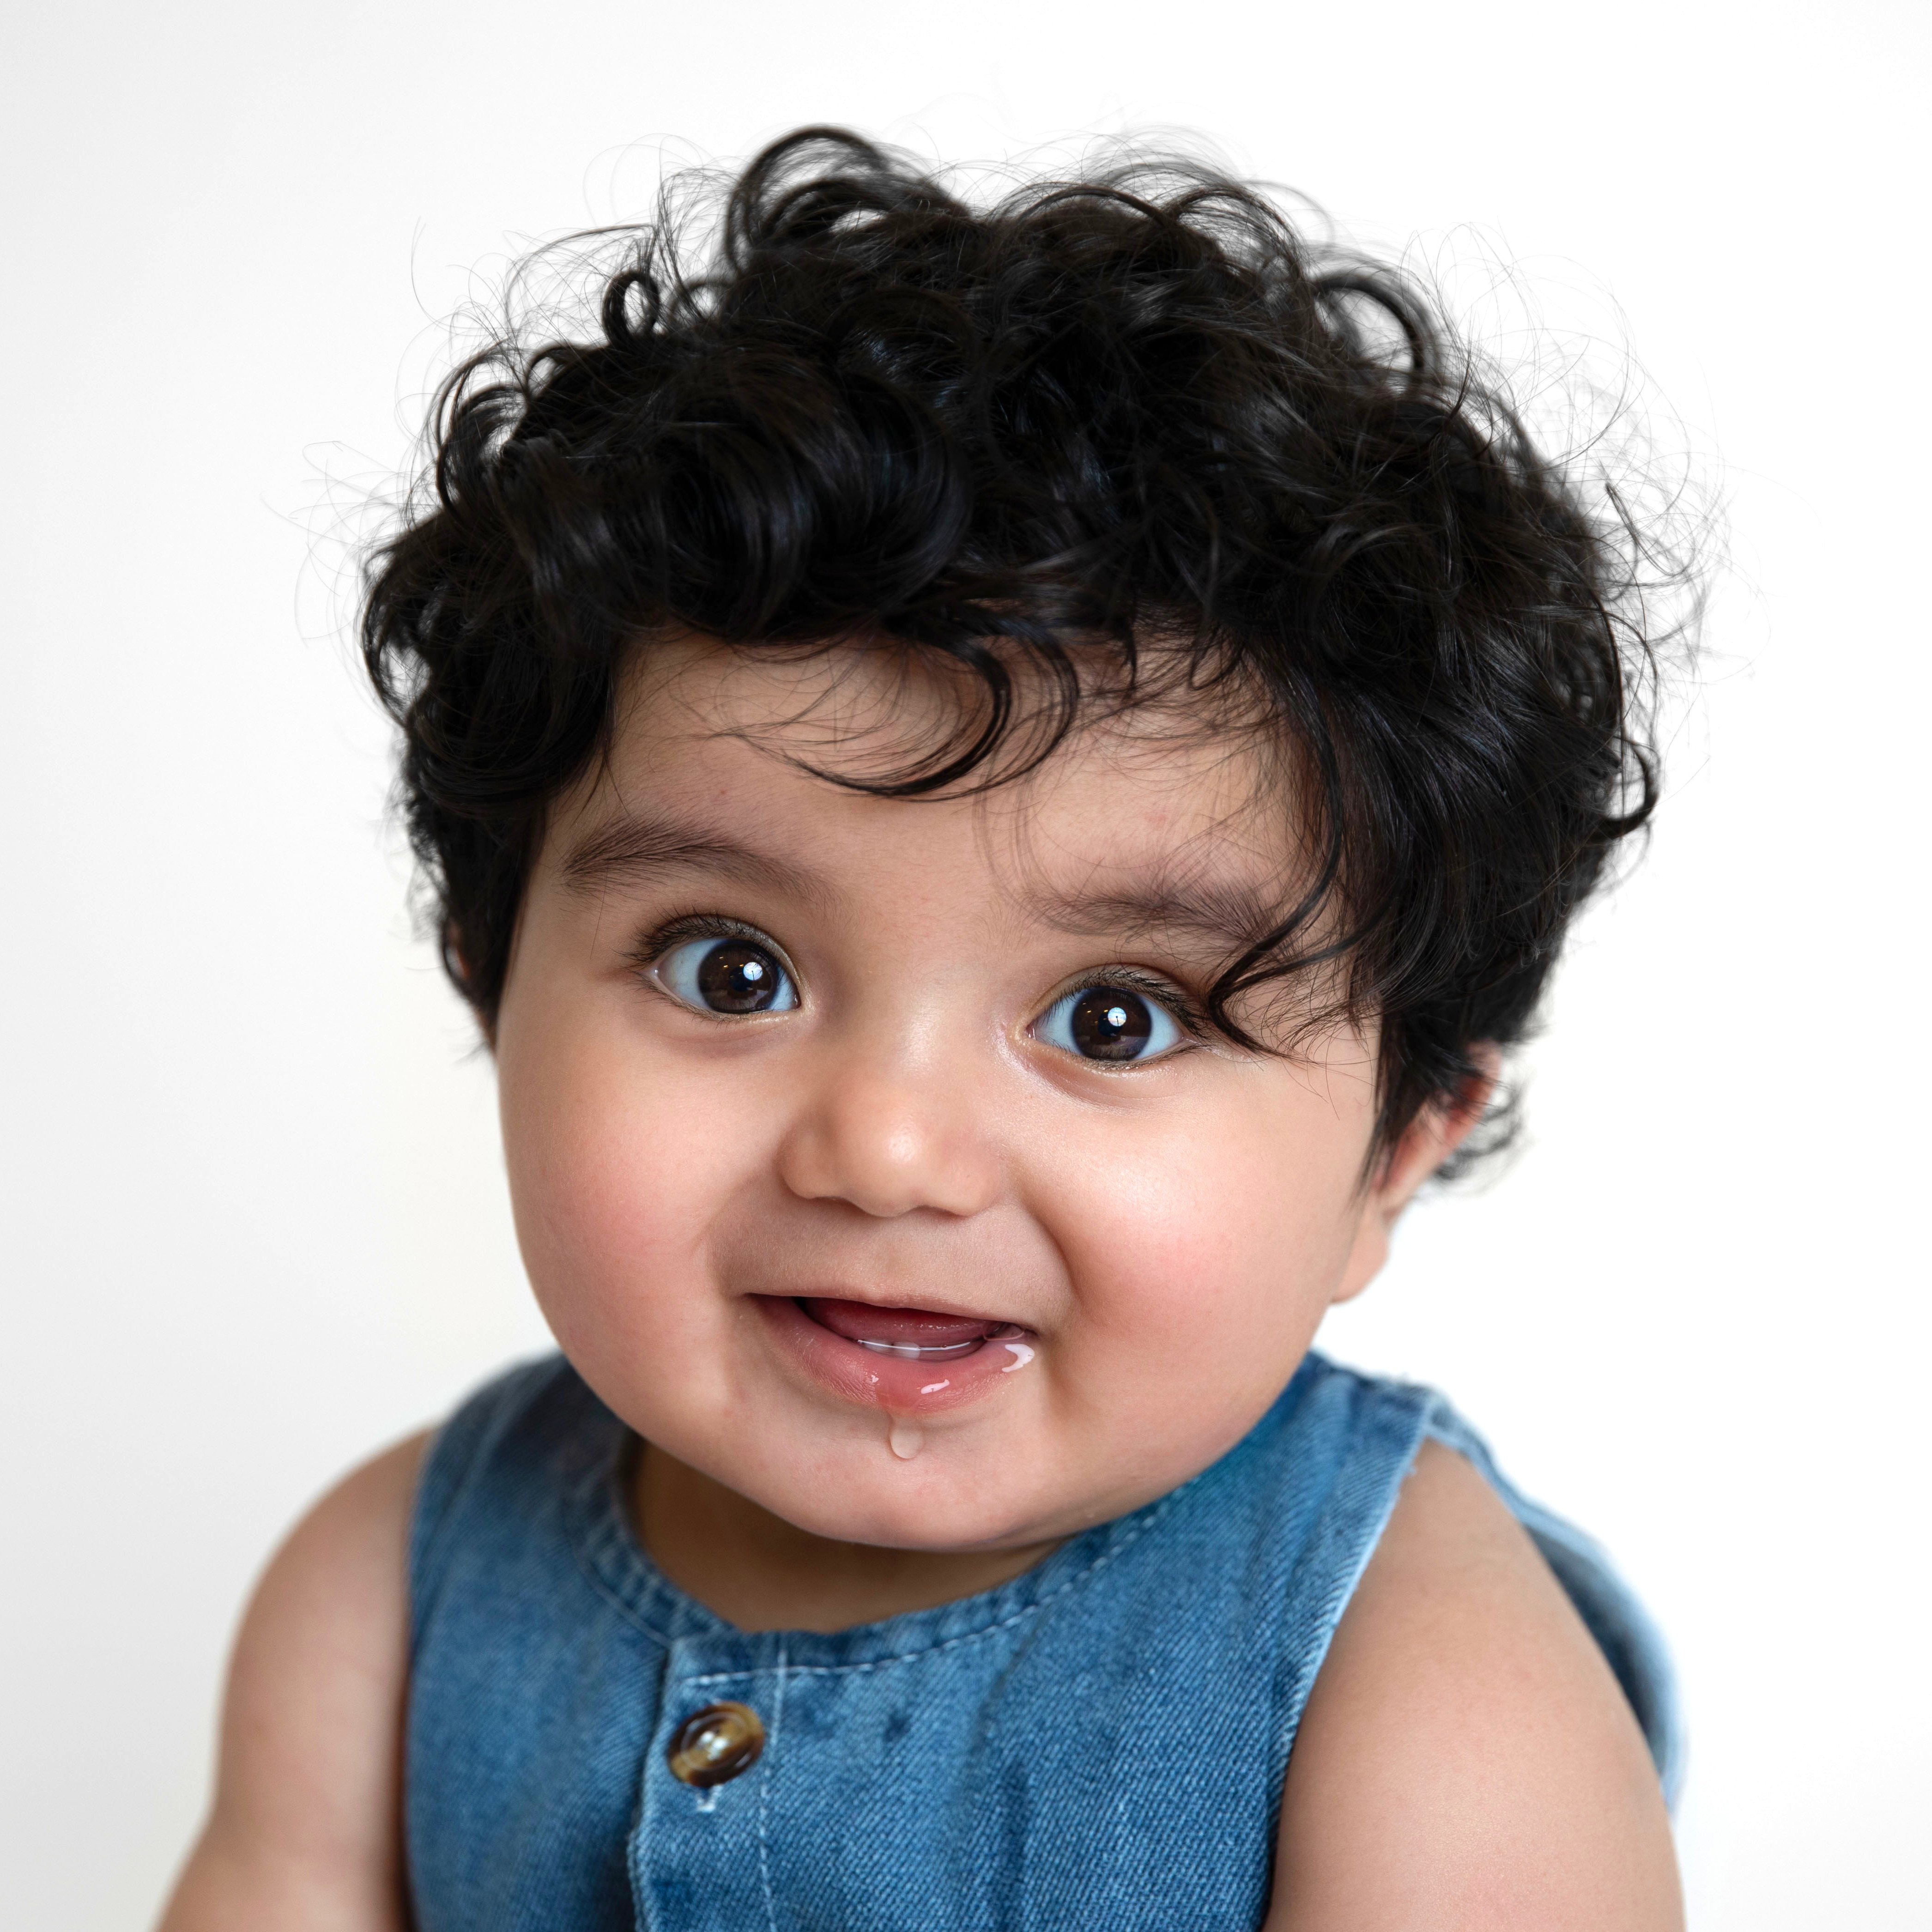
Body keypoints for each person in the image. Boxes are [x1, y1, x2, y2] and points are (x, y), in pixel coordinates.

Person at [160, 128, 1692, 1930]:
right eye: (731, 970)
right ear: (491, 976)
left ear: (1395, 1151)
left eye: (1112, 1018)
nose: (886, 1149)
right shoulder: (381, 1604)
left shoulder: (1427, 1686)